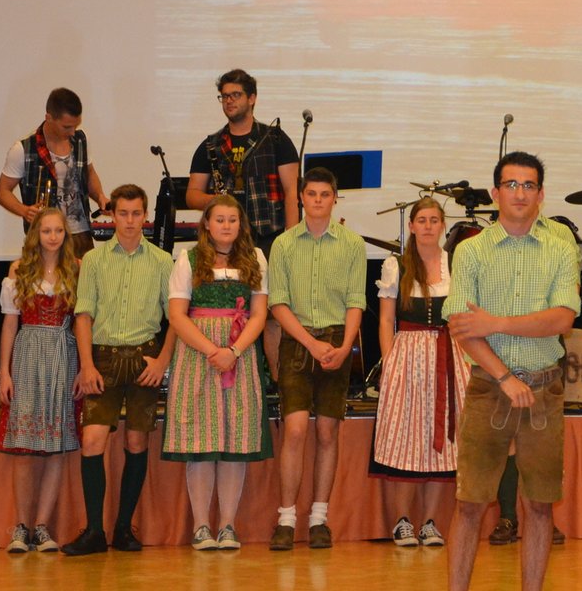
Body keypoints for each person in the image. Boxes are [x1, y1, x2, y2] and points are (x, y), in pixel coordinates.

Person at [443, 152, 579, 591]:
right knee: (470, 503)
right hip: (489, 386)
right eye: (511, 184)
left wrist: (496, 322)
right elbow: (462, 328)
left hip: (544, 388)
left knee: (539, 505)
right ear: (496, 192)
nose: (520, 193)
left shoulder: (560, 248)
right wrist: (505, 376)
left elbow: (562, 319)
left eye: (529, 185)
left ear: (541, 194)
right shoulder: (470, 250)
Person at [63, 183, 176, 556]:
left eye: (136, 214)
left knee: (136, 442)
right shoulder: (94, 260)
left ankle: (124, 528)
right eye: (122, 213)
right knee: (93, 440)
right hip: (104, 359)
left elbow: (175, 318)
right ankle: (94, 531)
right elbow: (83, 315)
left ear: (146, 216)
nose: (129, 221)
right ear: (112, 215)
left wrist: (162, 361)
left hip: (145, 359)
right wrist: (86, 365)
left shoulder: (162, 261)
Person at [162, 196, 272, 550]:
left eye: (232, 220)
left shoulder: (255, 258)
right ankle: (201, 526)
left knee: (234, 442)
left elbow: (259, 314)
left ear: (241, 224)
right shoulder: (189, 259)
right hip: (199, 356)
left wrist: (234, 351)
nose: (226, 225)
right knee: (201, 441)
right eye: (220, 219)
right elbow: (177, 316)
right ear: (207, 224)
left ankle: (227, 525)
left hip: (239, 354)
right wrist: (213, 351)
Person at [266, 166, 365, 550]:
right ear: (301, 198)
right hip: (298, 342)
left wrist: (345, 346)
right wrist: (310, 343)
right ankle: (286, 519)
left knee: (327, 432)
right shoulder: (284, 244)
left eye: (325, 194)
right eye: (312, 194)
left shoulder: (352, 244)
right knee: (294, 430)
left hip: (337, 343)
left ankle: (319, 518)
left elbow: (356, 302)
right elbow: (278, 303)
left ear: (335, 198)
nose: (318, 200)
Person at [187, 68, 299, 375]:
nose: (229, 101)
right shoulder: (210, 145)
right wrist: (219, 201)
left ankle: (278, 383)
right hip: (226, 241)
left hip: (270, 236)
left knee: (274, 313)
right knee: (232, 310)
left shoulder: (275, 139)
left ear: (252, 98)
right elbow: (192, 195)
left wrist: (290, 240)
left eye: (235, 95)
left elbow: (292, 191)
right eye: (224, 96)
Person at [372, 196, 468, 547]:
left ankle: (429, 521)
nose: (428, 226)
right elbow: (386, 320)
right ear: (411, 226)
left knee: (442, 442)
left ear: (443, 225)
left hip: (449, 357)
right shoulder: (396, 265)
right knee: (405, 439)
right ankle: (402, 521)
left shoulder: (455, 263)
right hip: (408, 357)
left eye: (434, 220)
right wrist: (390, 362)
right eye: (422, 220)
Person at [0, 207, 81, 553]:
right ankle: (21, 526)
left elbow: (83, 321)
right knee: (25, 448)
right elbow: (9, 323)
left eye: (58, 230)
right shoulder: (19, 270)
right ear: (36, 235)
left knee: (56, 446)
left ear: (65, 234)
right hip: (28, 354)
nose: (53, 237)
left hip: (63, 354)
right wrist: (5, 371)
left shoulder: (76, 270)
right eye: (46, 231)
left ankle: (43, 526)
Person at [0, 87, 107, 257]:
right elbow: (2, 192)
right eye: (66, 127)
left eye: (76, 125)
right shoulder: (23, 149)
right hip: (45, 236)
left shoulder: (80, 139)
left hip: (81, 235)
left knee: (85, 275)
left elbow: (89, 173)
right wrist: (24, 211)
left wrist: (100, 197)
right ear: (49, 118)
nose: (72, 132)